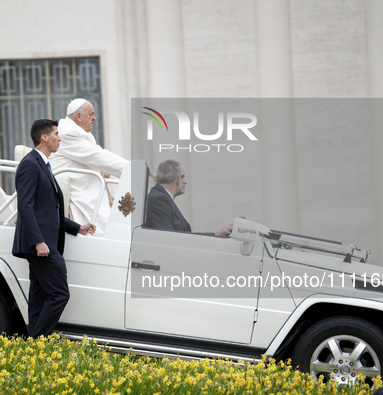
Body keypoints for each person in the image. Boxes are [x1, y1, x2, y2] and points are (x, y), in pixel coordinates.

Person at [12, 119, 96, 338]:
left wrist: (78, 228)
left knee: (39, 296)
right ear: (44, 137)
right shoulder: (30, 164)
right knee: (60, 294)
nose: (60, 138)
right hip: (42, 245)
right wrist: (38, 241)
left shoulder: (44, 165)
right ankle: (37, 340)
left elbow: (50, 211)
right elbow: (25, 206)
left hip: (46, 242)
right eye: (57, 134)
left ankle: (32, 343)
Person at [49, 98, 128, 237]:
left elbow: (90, 156)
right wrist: (131, 168)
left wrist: (101, 169)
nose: (95, 118)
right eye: (91, 114)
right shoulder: (68, 132)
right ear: (78, 116)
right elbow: (96, 156)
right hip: (78, 192)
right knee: (105, 234)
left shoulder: (78, 131)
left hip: (86, 188)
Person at [144, 159, 232, 236]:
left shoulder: (160, 197)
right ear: (178, 180)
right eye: (182, 177)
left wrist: (217, 234)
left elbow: (182, 236)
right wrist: (215, 235)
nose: (185, 182)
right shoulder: (159, 200)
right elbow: (169, 240)